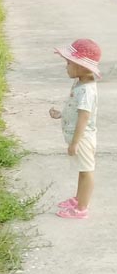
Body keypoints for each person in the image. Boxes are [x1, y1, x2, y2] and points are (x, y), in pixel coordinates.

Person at [49, 39, 101, 219]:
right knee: (82, 169)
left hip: (83, 138)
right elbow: (74, 109)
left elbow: (84, 117)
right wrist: (61, 114)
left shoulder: (86, 90)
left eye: (69, 63)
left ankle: (82, 209)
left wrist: (75, 143)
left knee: (87, 172)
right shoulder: (80, 84)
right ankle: (78, 199)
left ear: (81, 66)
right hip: (79, 137)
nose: (66, 66)